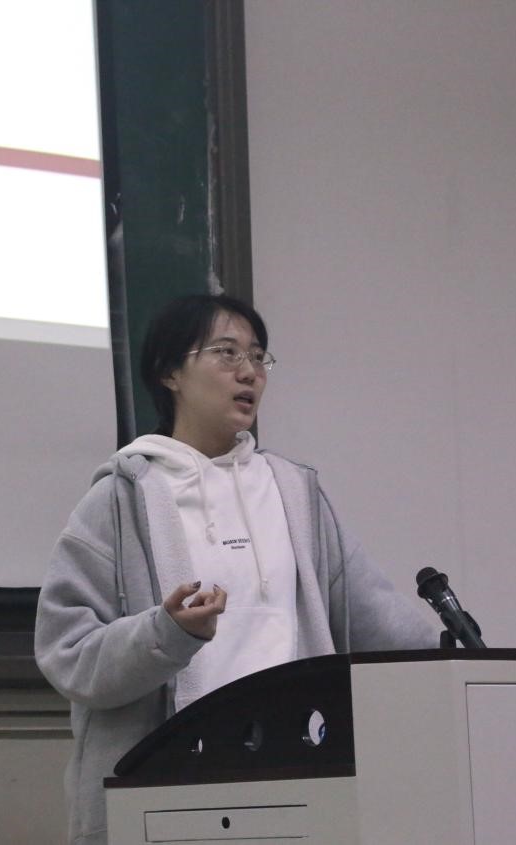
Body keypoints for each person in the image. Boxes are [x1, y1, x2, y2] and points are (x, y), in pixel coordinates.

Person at [34, 294, 435, 845]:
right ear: (170, 372)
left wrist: (455, 658)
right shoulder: (119, 502)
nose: (249, 372)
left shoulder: (295, 494)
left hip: (298, 776)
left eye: (258, 356)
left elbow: (376, 618)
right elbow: (69, 655)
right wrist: (166, 633)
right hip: (167, 787)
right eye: (226, 353)